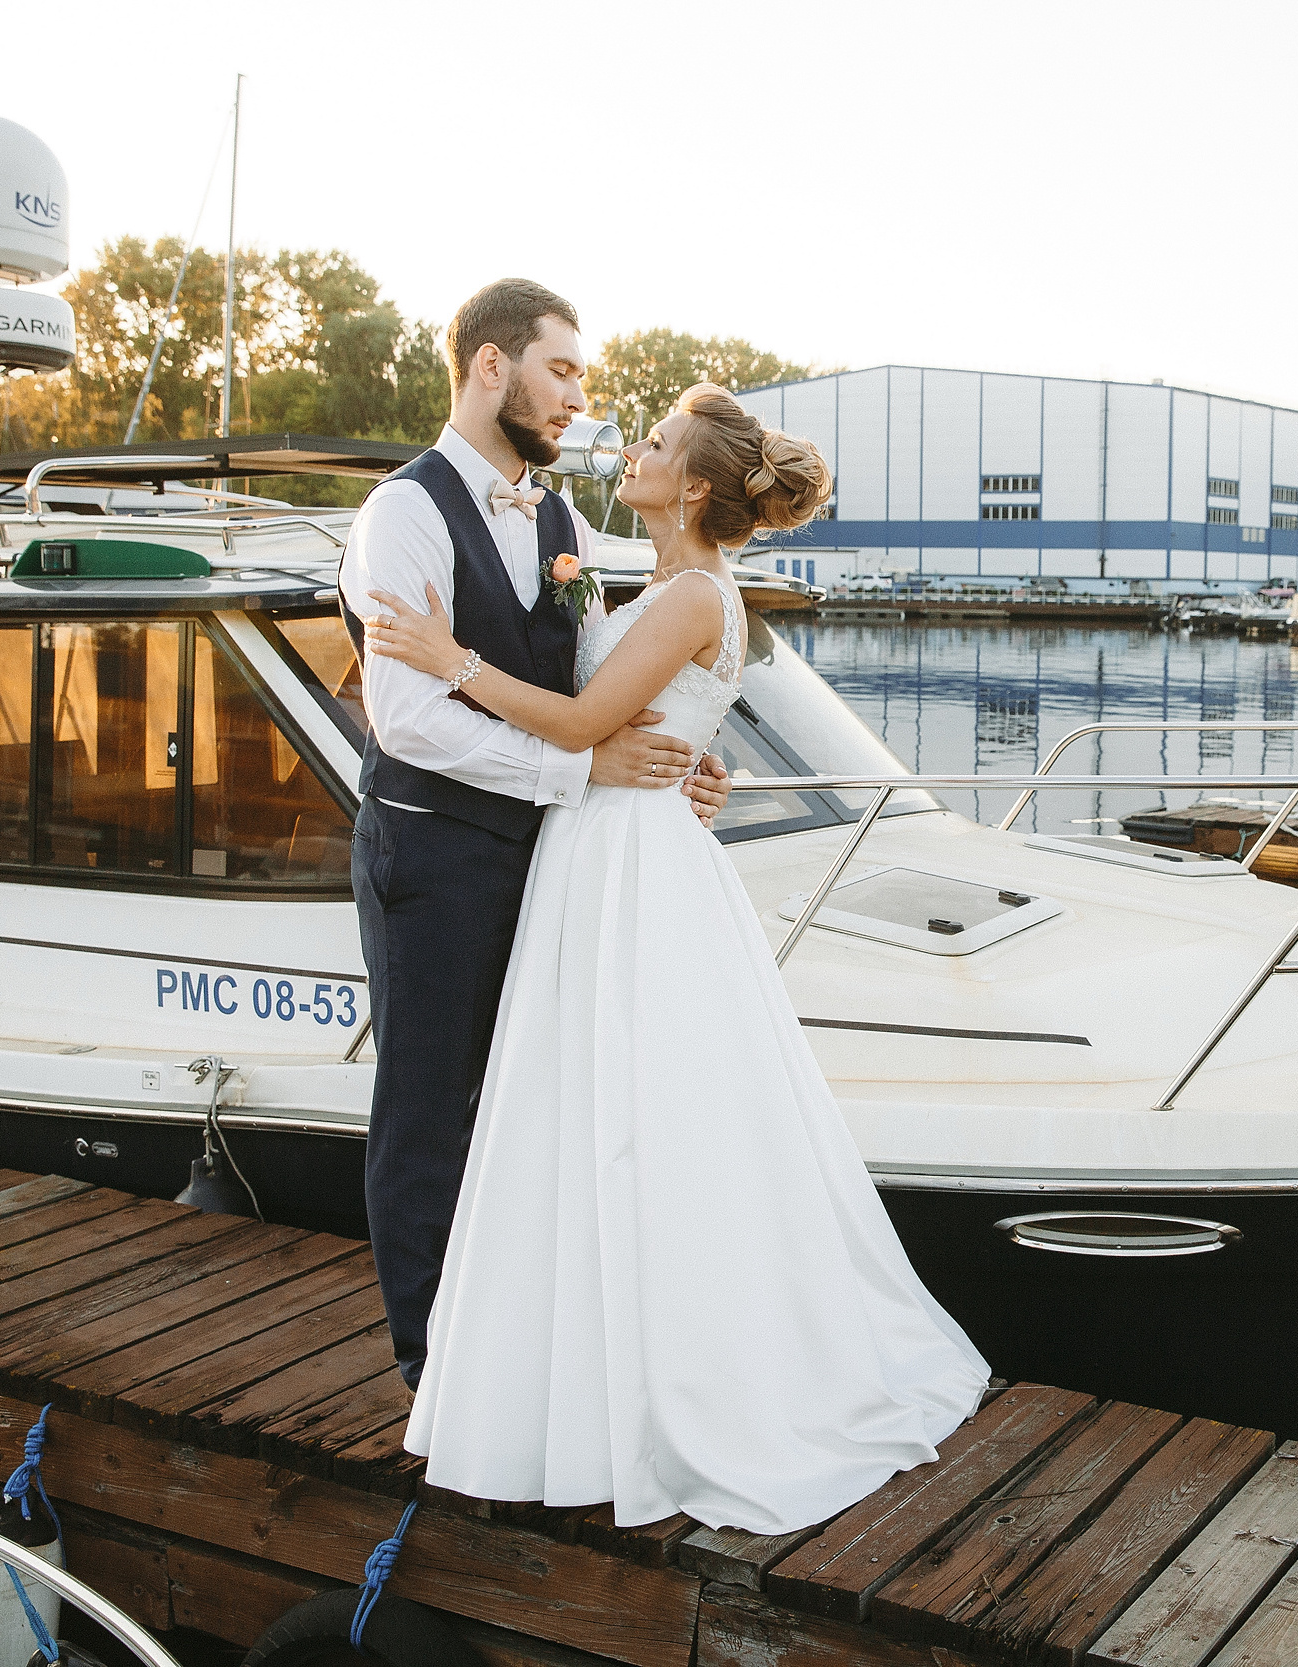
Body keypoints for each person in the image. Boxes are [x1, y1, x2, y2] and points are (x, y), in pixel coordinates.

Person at [361, 383, 988, 1532]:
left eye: (653, 443)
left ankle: (665, 1376)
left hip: (627, 858)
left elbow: (577, 722)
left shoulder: (695, 589)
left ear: (693, 484)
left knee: (637, 1113)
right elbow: (633, 710)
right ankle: (575, 1359)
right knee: (589, 1107)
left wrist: (444, 656)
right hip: (605, 848)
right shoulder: (655, 578)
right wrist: (701, 761)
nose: (632, 449)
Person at [343, 279, 730, 1391]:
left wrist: (687, 759)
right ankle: (431, 1359)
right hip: (434, 852)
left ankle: (519, 1328)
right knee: (428, 1105)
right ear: (489, 366)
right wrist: (579, 764)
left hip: (557, 860)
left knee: (536, 1097)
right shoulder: (402, 514)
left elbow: (588, 679)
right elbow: (407, 718)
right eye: (561, 370)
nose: (577, 398)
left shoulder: (560, 521)